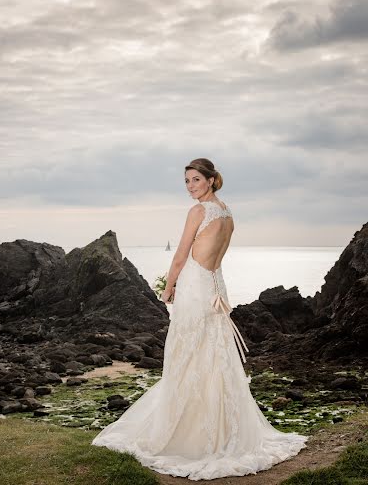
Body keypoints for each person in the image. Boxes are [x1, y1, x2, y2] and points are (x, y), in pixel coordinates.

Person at [91, 158, 308, 480]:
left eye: (195, 180)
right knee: (213, 357)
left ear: (210, 179)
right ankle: (219, 428)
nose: (190, 186)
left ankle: (189, 434)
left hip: (195, 286)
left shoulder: (199, 211)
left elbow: (180, 254)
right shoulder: (228, 214)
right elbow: (217, 257)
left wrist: (169, 287)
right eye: (187, 181)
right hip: (215, 287)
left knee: (188, 355)